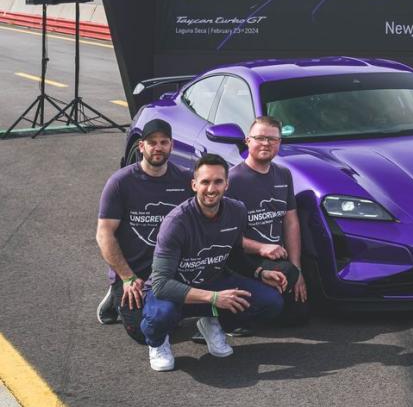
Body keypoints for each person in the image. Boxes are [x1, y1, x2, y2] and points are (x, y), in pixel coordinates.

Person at [141, 154, 287, 371]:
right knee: (161, 316)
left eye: (218, 181)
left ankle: (210, 320)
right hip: (174, 288)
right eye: (205, 182)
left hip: (212, 281)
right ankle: (158, 342)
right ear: (194, 184)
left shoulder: (237, 210)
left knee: (271, 301)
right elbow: (161, 284)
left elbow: (235, 254)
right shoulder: (176, 222)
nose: (211, 188)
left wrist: (259, 273)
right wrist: (214, 298)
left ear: (227, 184)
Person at [95, 119, 192, 343]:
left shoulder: (186, 180)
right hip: (134, 273)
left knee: (171, 319)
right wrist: (127, 277)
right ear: (141, 146)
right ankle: (116, 290)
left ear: (171, 145)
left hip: (170, 270)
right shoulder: (121, 182)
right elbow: (104, 234)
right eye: (151, 142)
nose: (158, 147)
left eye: (163, 142)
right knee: (143, 331)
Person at [226, 115, 308, 322]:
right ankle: (223, 318)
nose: (266, 143)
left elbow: (291, 221)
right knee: (275, 301)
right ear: (248, 141)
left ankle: (269, 298)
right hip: (244, 257)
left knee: (298, 316)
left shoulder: (283, 174)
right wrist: (261, 247)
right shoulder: (232, 180)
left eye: (272, 139)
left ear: (279, 143)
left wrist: (297, 269)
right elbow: (222, 235)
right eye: (260, 138)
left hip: (277, 258)